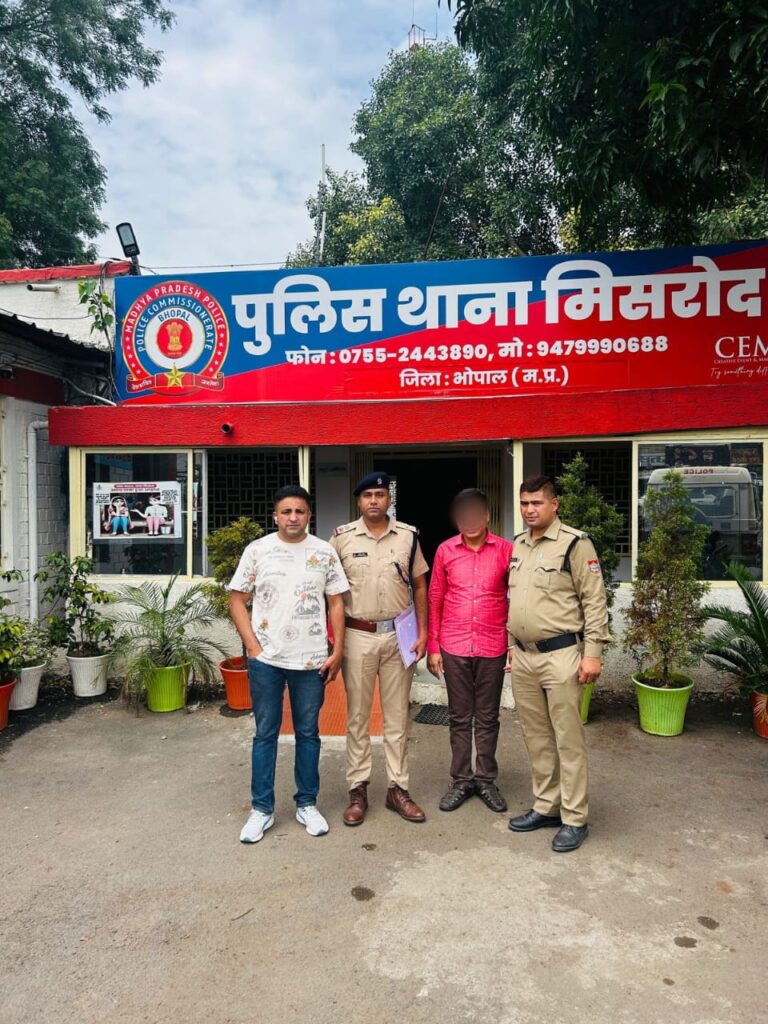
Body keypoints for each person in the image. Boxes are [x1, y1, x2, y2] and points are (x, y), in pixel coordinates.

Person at [229, 484, 349, 845]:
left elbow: (337, 603)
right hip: (266, 660)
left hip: (311, 660)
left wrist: (338, 650)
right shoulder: (258, 550)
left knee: (308, 733)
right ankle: (261, 809)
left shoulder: (324, 552)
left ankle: (307, 804)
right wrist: (253, 647)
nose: (293, 517)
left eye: (299, 511)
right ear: (275, 516)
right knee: (265, 734)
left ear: (309, 515)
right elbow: (237, 601)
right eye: (286, 512)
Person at [507, 474, 610, 853]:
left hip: (562, 655)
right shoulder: (518, 545)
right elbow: (515, 600)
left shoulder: (575, 544)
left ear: (554, 504)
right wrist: (511, 645)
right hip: (524, 656)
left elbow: (594, 600)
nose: (529, 510)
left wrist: (593, 653)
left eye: (537, 502)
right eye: (524, 503)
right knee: (536, 737)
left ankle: (574, 817)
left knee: (568, 739)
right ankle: (547, 805)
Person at [330, 472, 429, 825]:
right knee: (357, 717)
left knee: (397, 718)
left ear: (389, 499)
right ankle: (358, 789)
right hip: (357, 635)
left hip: (398, 636)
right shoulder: (341, 538)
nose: (374, 500)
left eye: (380, 494)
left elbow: (420, 585)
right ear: (359, 501)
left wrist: (423, 633)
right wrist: (334, 641)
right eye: (367, 495)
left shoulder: (408, 537)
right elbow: (332, 594)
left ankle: (397, 789)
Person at [427, 489, 513, 814]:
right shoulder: (445, 550)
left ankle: (486, 779)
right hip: (454, 644)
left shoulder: (506, 551)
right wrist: (433, 646)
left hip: (493, 644)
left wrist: (514, 644)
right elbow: (435, 597)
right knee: (459, 717)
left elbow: (516, 599)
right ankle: (462, 779)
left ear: (487, 516)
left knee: (488, 717)